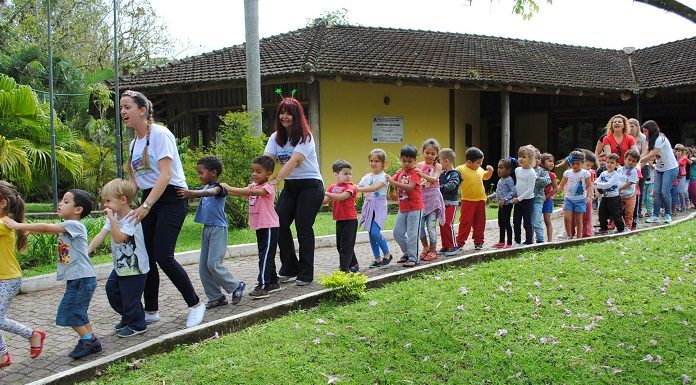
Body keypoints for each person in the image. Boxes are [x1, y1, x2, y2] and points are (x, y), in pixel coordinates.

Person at [120, 90, 205, 328]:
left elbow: (166, 175)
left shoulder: (160, 134)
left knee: (163, 256)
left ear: (142, 110)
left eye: (127, 107)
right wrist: (122, 203)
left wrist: (147, 206)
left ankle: (196, 304)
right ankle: (152, 310)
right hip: (151, 196)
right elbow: (135, 181)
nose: (123, 112)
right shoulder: (133, 144)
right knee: (146, 256)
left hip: (172, 197)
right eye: (121, 108)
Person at [2, 189, 100, 359]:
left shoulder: (74, 225)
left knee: (68, 311)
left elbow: (46, 227)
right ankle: (90, 339)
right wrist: (27, 230)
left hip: (82, 278)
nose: (60, 204)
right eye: (61, 200)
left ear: (78, 210)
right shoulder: (67, 226)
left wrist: (18, 226)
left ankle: (88, 340)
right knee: (78, 311)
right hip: (79, 278)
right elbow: (47, 229)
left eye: (66, 201)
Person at [264, 97, 324, 286]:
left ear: (296, 116)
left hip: (311, 185)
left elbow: (294, 161)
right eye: (282, 112)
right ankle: (290, 267)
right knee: (278, 223)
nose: (284, 116)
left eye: (289, 113)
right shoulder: (275, 137)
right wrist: (259, 178)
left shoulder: (306, 136)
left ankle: (306, 273)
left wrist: (274, 180)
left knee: (303, 226)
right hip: (291, 187)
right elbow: (267, 159)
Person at [176, 157, 245, 309]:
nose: (199, 176)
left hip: (219, 229)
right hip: (207, 228)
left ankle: (236, 286)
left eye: (201, 173)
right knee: (203, 267)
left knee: (213, 264)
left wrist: (192, 193)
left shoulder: (220, 188)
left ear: (213, 172)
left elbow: (211, 192)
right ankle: (216, 297)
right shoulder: (204, 188)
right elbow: (201, 191)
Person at [88, 179, 150, 338]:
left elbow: (119, 238)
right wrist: (86, 251)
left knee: (130, 298)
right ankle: (130, 317)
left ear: (123, 200)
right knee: (112, 290)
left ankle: (137, 324)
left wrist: (112, 220)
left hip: (135, 267)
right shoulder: (114, 216)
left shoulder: (132, 217)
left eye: (108, 201)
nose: (105, 205)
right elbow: (101, 235)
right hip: (120, 266)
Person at [221, 156, 283, 299]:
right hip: (261, 227)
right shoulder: (252, 186)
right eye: (253, 171)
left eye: (258, 171)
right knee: (266, 255)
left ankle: (262, 287)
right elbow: (243, 192)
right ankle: (273, 282)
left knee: (265, 257)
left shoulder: (268, 187)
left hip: (269, 227)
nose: (254, 174)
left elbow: (253, 193)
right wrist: (223, 190)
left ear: (268, 174)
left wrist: (229, 187)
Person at [0, 181, 46, 368]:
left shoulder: (4, 224)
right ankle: (2, 356)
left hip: (7, 279)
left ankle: (33, 334)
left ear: (3, 203)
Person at [386, 145, 423, 268]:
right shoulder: (400, 173)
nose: (406, 164)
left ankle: (413, 257)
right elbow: (389, 180)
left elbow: (411, 187)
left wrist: (394, 182)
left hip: (415, 208)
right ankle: (407, 253)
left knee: (413, 234)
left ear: (415, 161)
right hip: (403, 208)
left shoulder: (415, 173)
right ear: (400, 159)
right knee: (397, 233)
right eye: (404, 161)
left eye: (410, 161)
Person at [357, 149, 392, 268]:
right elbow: (359, 186)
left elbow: (374, 188)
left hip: (379, 206)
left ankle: (387, 254)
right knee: (370, 233)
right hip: (368, 206)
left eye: (376, 161)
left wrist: (358, 189)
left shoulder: (384, 177)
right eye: (371, 161)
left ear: (383, 163)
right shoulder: (367, 177)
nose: (373, 163)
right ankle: (377, 259)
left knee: (375, 231)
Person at [639, 120, 679, 223]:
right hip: (659, 168)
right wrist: (638, 165)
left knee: (665, 192)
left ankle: (667, 214)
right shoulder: (650, 140)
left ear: (651, 130)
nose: (644, 134)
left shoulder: (660, 138)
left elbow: (653, 154)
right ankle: (655, 215)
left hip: (670, 168)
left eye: (646, 131)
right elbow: (647, 153)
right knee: (656, 192)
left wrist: (637, 161)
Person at [455, 147, 494, 250]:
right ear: (469, 162)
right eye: (478, 162)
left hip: (481, 200)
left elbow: (486, 177)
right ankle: (459, 242)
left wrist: (490, 171)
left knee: (480, 222)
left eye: (481, 162)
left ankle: (479, 241)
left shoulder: (479, 169)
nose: (480, 164)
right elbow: (454, 179)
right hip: (468, 200)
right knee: (465, 222)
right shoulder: (460, 169)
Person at [324, 160, 359, 272]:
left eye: (350, 173)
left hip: (350, 220)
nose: (348, 176)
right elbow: (325, 201)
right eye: (345, 174)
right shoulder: (332, 187)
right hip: (339, 219)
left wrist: (325, 192)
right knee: (340, 246)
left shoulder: (351, 187)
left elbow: (341, 197)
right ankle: (354, 264)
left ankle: (344, 269)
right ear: (336, 174)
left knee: (346, 246)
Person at [415, 138, 445, 261]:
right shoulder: (418, 165)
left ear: (437, 154)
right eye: (427, 152)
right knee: (419, 226)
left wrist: (421, 175)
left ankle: (433, 250)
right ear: (423, 152)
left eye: (433, 153)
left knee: (431, 226)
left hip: (433, 200)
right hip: (421, 200)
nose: (430, 155)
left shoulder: (437, 166)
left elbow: (434, 179)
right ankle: (425, 247)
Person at [558, 151, 592, 239]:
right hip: (569, 199)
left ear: (582, 163)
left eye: (578, 164)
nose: (575, 166)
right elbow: (561, 185)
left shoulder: (585, 173)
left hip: (580, 200)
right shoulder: (567, 173)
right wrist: (555, 191)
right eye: (573, 164)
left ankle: (579, 238)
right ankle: (569, 236)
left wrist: (589, 196)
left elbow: (589, 185)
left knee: (578, 220)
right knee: (567, 218)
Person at [437, 148, 462, 256]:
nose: (438, 163)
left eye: (440, 160)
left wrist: (441, 188)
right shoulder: (442, 174)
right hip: (442, 204)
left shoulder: (455, 174)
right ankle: (445, 246)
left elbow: (453, 184)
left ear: (446, 161)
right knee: (442, 224)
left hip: (451, 203)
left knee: (448, 224)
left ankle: (453, 246)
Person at [593, 153, 625, 234]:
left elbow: (608, 185)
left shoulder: (616, 175)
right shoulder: (603, 173)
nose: (609, 164)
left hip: (614, 198)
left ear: (617, 164)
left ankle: (621, 229)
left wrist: (595, 184)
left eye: (612, 162)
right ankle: (603, 228)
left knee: (616, 214)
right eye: (608, 162)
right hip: (605, 197)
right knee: (601, 214)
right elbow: (597, 181)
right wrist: (593, 184)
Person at [489, 158, 516, 248]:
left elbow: (513, 192)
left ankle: (509, 243)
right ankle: (501, 241)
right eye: (498, 167)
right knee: (501, 223)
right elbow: (497, 193)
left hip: (507, 205)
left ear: (509, 170)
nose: (498, 170)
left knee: (506, 223)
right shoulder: (501, 180)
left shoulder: (509, 180)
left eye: (501, 168)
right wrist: (489, 198)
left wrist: (505, 199)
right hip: (501, 205)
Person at [513, 145, 537, 245]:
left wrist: (519, 198)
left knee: (527, 223)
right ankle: (517, 241)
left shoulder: (532, 173)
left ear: (531, 159)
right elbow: (517, 185)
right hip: (518, 201)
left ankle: (529, 242)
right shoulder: (517, 170)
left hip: (528, 201)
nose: (521, 159)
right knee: (516, 222)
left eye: (524, 157)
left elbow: (530, 190)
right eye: (520, 156)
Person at [629, 118, 648, 223]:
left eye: (633, 126)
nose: (631, 128)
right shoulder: (626, 137)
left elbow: (645, 152)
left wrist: (639, 165)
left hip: (642, 165)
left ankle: (639, 210)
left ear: (637, 126)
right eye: (629, 126)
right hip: (629, 166)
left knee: (639, 189)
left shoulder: (643, 138)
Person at [532, 148, 551, 243]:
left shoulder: (542, 171)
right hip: (527, 199)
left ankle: (540, 240)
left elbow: (547, 181)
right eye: (536, 158)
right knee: (528, 221)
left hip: (537, 199)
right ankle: (529, 239)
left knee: (536, 221)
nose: (538, 161)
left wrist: (537, 178)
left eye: (539, 158)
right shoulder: (526, 170)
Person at [618, 150, 640, 229]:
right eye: (629, 160)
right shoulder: (619, 170)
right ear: (624, 159)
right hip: (620, 195)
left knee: (629, 212)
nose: (630, 162)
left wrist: (620, 188)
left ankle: (628, 227)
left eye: (633, 161)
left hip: (630, 195)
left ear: (636, 163)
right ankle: (620, 226)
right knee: (618, 212)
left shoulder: (634, 171)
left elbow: (630, 182)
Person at [541, 153, 558, 242]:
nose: (552, 163)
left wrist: (546, 196)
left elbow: (556, 189)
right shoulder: (538, 173)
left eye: (553, 162)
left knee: (547, 220)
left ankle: (550, 240)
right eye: (549, 161)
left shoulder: (552, 175)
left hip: (547, 200)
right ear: (542, 163)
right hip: (538, 200)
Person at [675, 144, 690, 212]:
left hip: (682, 176)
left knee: (680, 191)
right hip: (676, 176)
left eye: (679, 151)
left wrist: (683, 157)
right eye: (677, 151)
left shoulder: (684, 158)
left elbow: (681, 163)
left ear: (682, 151)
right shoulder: (675, 157)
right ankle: (677, 206)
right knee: (676, 192)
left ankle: (683, 206)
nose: (677, 152)